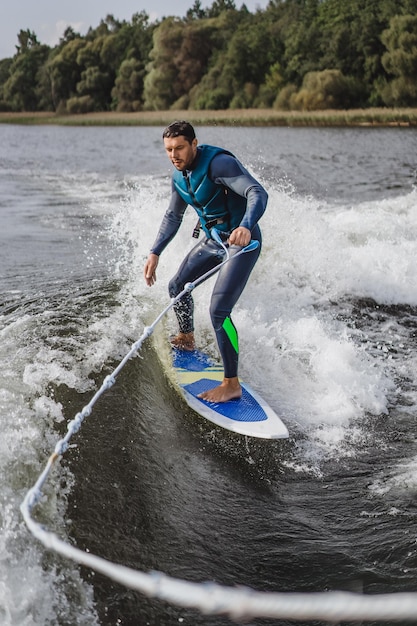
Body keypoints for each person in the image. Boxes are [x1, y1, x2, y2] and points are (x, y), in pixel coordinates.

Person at [144, 121, 267, 403]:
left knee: (218, 311)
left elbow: (257, 192)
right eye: (169, 150)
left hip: (242, 242)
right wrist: (155, 251)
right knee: (177, 286)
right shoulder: (179, 177)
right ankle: (187, 337)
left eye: (179, 148)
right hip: (215, 240)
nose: (174, 155)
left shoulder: (219, 164)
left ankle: (231, 383)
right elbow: (173, 216)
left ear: (194, 144)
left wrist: (246, 226)